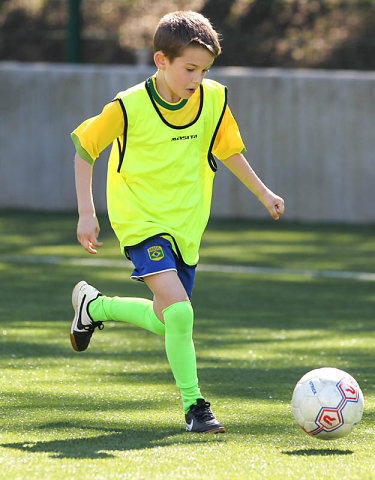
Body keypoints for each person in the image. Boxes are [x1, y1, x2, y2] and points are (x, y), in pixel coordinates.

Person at [70, 10, 285, 434]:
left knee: (168, 317)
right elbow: (85, 149)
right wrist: (87, 212)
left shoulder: (213, 99)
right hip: (140, 221)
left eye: (204, 70)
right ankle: (195, 408)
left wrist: (264, 193)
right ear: (161, 61)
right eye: (189, 69)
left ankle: (94, 307)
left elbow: (228, 150)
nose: (196, 79)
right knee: (182, 314)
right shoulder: (128, 106)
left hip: (186, 225)